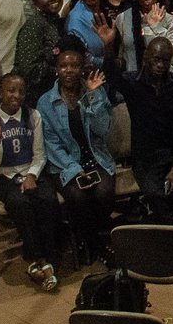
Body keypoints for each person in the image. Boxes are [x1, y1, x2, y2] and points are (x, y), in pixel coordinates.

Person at [0, 72, 59, 291]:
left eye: (21, 91)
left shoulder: (33, 116)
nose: (16, 95)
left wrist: (31, 176)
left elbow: (39, 154)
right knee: (19, 203)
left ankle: (47, 257)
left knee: (48, 199)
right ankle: (36, 259)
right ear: (0, 93)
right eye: (11, 91)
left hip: (30, 171)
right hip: (3, 177)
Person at [38, 40, 116, 265]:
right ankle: (97, 245)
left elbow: (103, 129)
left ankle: (89, 239)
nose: (68, 70)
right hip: (64, 163)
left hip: (95, 158)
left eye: (74, 66)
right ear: (57, 69)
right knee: (78, 197)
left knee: (104, 193)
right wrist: (75, 169)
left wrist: (92, 97)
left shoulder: (94, 90)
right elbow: (52, 145)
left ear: (82, 68)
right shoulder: (46, 102)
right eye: (63, 66)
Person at [102, 33, 173, 226]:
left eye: (165, 61)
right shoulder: (133, 82)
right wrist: (108, 46)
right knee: (155, 194)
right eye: (156, 59)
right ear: (145, 57)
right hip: (146, 158)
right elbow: (111, 76)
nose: (160, 65)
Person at [14, 0, 67, 105]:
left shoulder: (58, 22)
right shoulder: (34, 25)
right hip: (36, 95)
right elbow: (28, 68)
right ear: (36, 3)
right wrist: (59, 71)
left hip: (55, 91)